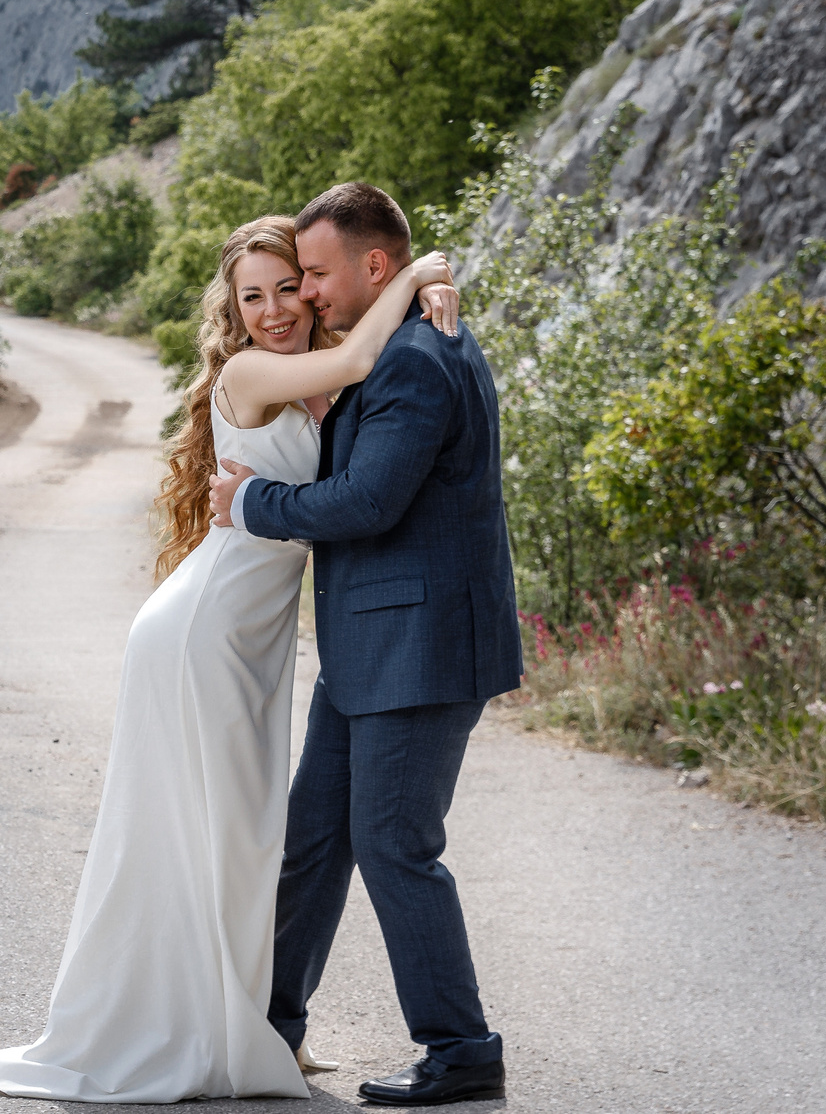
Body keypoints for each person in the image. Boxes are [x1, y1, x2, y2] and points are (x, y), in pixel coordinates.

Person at [0, 213, 457, 1104]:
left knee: (244, 837)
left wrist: (430, 278)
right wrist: (422, 272)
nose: (271, 309)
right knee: (210, 835)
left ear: (313, 285)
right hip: (203, 630)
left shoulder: (318, 360)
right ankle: (197, 1028)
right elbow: (350, 365)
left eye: (286, 287)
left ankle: (243, 1022)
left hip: (249, 637)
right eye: (249, 295)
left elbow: (361, 373)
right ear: (231, 308)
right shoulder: (255, 371)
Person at [208, 182, 523, 1108]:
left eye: (313, 273)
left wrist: (250, 503)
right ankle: (269, 1027)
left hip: (419, 647)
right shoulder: (390, 342)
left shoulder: (419, 359)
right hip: (368, 648)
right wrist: (429, 272)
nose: (302, 293)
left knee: (394, 844)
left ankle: (462, 1048)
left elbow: (367, 502)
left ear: (371, 266)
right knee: (315, 839)